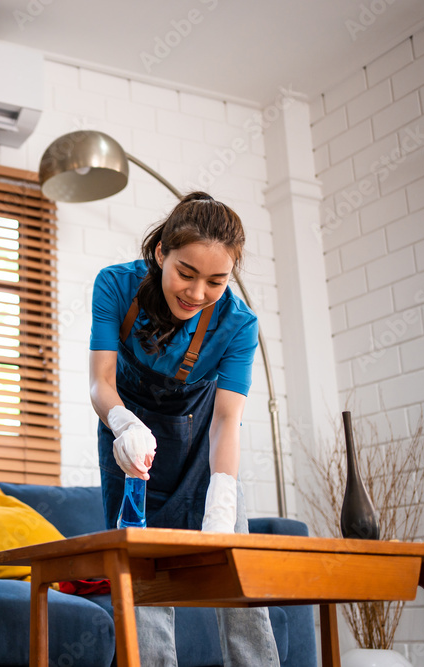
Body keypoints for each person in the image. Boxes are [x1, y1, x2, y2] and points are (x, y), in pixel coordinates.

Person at [88, 192, 279, 665]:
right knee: (144, 575)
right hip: (128, 438)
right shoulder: (115, 286)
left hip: (202, 441)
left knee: (236, 575)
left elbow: (227, 418)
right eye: (186, 274)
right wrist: (123, 425)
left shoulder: (239, 325)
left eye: (216, 281)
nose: (196, 293)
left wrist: (222, 496)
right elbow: (100, 384)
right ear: (161, 254)